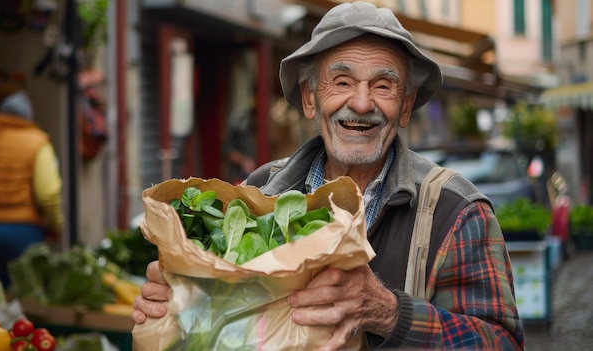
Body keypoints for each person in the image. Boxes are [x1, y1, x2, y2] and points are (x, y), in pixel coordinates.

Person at [131, 2, 524, 350]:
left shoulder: (456, 211)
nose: (361, 102)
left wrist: (389, 314)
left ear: (405, 108)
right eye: (342, 82)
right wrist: (179, 302)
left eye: (383, 86)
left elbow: (502, 342)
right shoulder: (258, 190)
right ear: (309, 99)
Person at [0, 80, 64, 288]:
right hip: (23, 233)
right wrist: (56, 223)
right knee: (26, 299)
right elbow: (48, 193)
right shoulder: (37, 141)